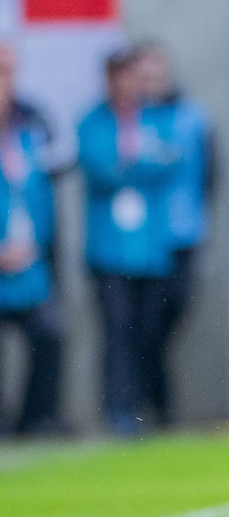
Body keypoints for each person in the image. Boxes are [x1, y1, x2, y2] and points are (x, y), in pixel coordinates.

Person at [78, 49, 182, 435]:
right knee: (116, 331)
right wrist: (141, 166)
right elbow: (100, 168)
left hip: (150, 248)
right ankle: (118, 409)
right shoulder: (93, 121)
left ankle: (149, 404)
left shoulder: (155, 118)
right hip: (109, 249)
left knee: (150, 330)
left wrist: (134, 167)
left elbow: (171, 159)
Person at [136, 41, 212, 427]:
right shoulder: (131, 119)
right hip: (142, 243)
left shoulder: (192, 117)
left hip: (182, 238)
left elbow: (210, 174)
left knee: (163, 324)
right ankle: (153, 408)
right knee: (143, 329)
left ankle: (156, 403)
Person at [0, 43, 65, 436]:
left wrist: (37, 245)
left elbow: (40, 196)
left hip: (27, 262)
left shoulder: (29, 127)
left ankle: (35, 419)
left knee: (49, 332)